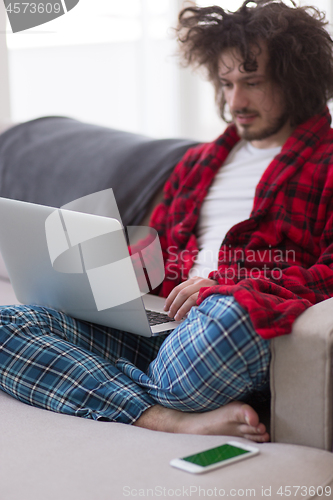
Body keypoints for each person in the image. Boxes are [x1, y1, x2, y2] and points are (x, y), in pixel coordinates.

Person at [1, 0, 333, 442]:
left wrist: (228, 287)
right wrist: (110, 272)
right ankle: (166, 417)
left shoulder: (326, 164)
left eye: (252, 83)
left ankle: (100, 385)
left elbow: (327, 274)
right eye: (227, 83)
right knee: (7, 326)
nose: (236, 101)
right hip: (163, 325)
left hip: (230, 326)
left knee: (228, 315)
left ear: (296, 83)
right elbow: (158, 257)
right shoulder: (198, 164)